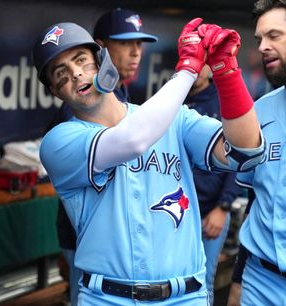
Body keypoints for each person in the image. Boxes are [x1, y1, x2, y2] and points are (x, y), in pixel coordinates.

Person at [32, 17, 265, 305]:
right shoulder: (59, 141)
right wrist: (189, 70)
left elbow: (245, 150)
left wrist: (226, 71)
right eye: (61, 73)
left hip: (185, 296)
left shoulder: (174, 119)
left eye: (82, 60)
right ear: (55, 91)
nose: (77, 74)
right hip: (108, 297)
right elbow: (132, 140)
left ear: (101, 60)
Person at [50, 8, 158, 305]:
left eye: (140, 44)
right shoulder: (80, 102)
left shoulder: (121, 94)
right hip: (88, 242)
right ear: (101, 49)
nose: (136, 52)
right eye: (126, 43)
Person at [230, 1, 286, 305]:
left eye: (274, 36)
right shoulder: (259, 110)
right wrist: (237, 281)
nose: (263, 47)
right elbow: (256, 202)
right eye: (259, 39)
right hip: (260, 280)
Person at [184, 64, 241, 305]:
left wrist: (223, 207)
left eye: (203, 62)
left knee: (203, 282)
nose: (196, 68)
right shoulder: (174, 99)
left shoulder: (222, 100)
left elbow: (238, 158)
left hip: (212, 211)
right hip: (180, 211)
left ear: (210, 68)